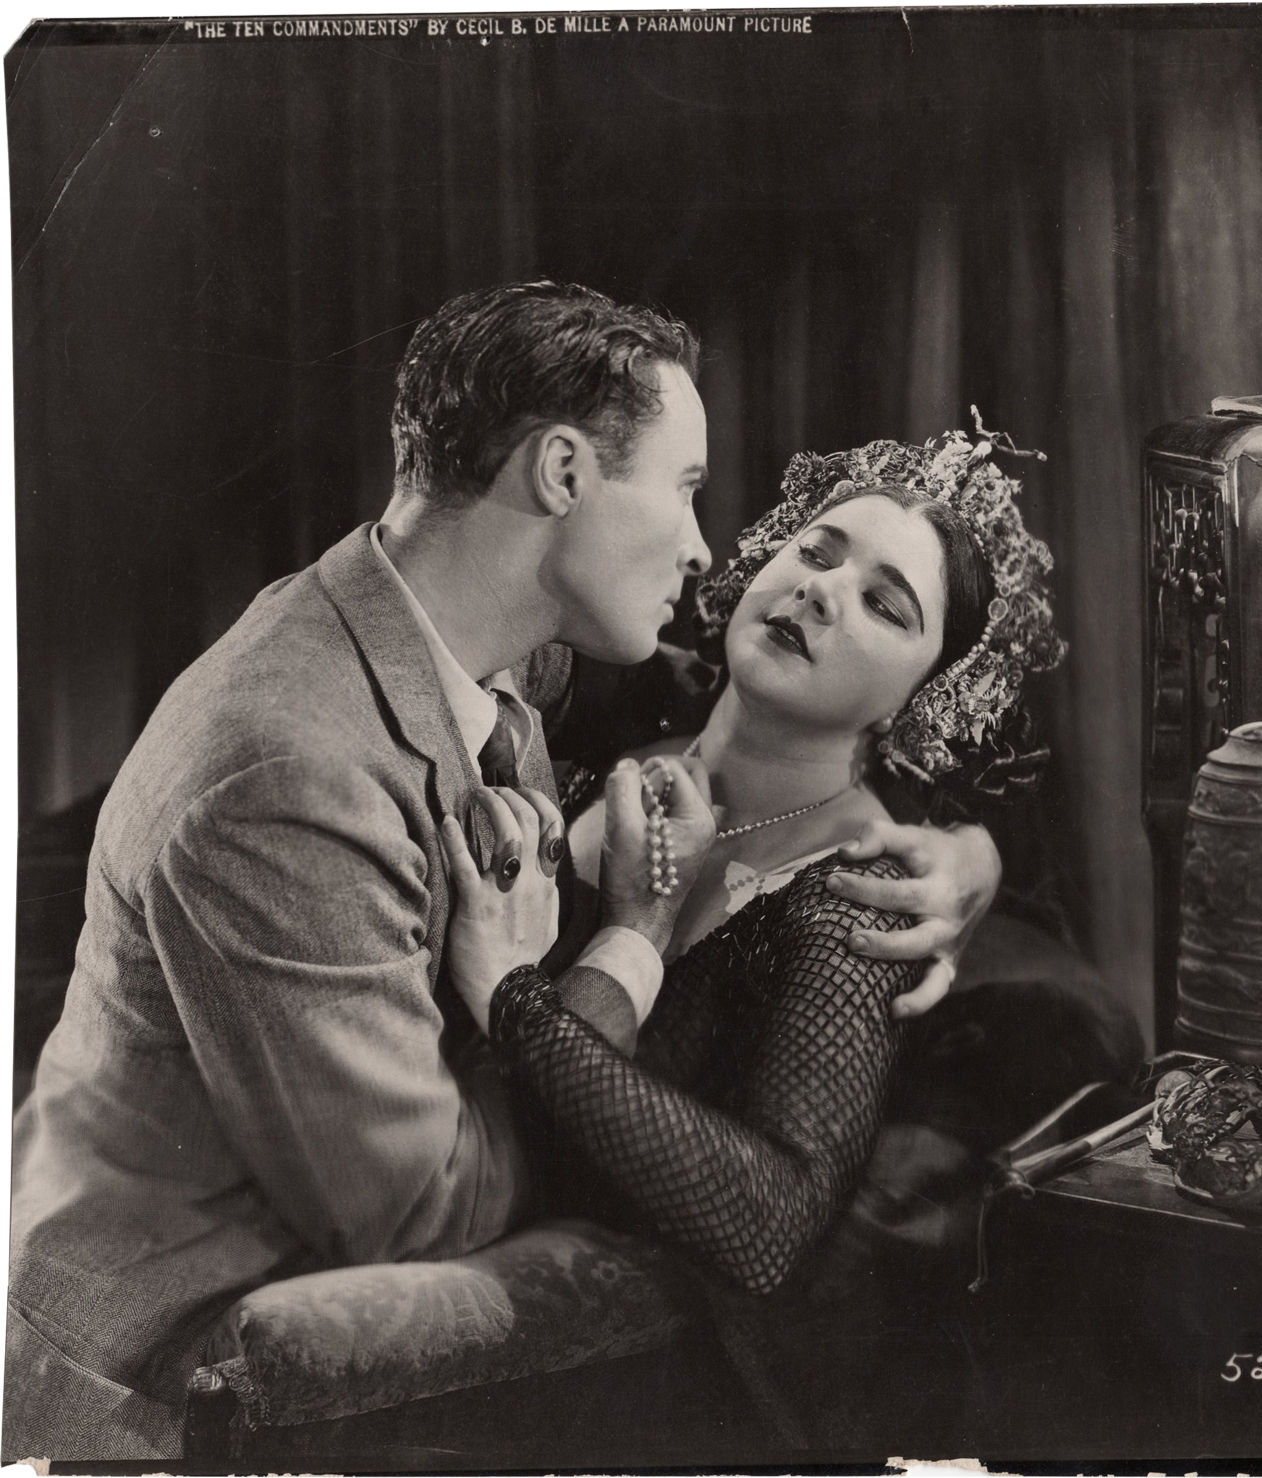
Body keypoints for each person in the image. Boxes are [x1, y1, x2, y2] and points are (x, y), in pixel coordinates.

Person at [4, 282, 999, 1463]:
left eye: (884, 604)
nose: (707, 548)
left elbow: (770, 1214)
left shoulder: (475, 632)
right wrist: (626, 941)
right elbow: (420, 1212)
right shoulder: (331, 759)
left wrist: (971, 858)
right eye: (691, 492)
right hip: (148, 1390)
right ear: (564, 472)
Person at [444, 423, 1065, 1296]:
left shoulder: (857, 892)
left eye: (886, 606)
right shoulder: (617, 710)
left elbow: (770, 1228)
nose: (823, 591)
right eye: (816, 551)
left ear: (921, 700)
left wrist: (513, 997)